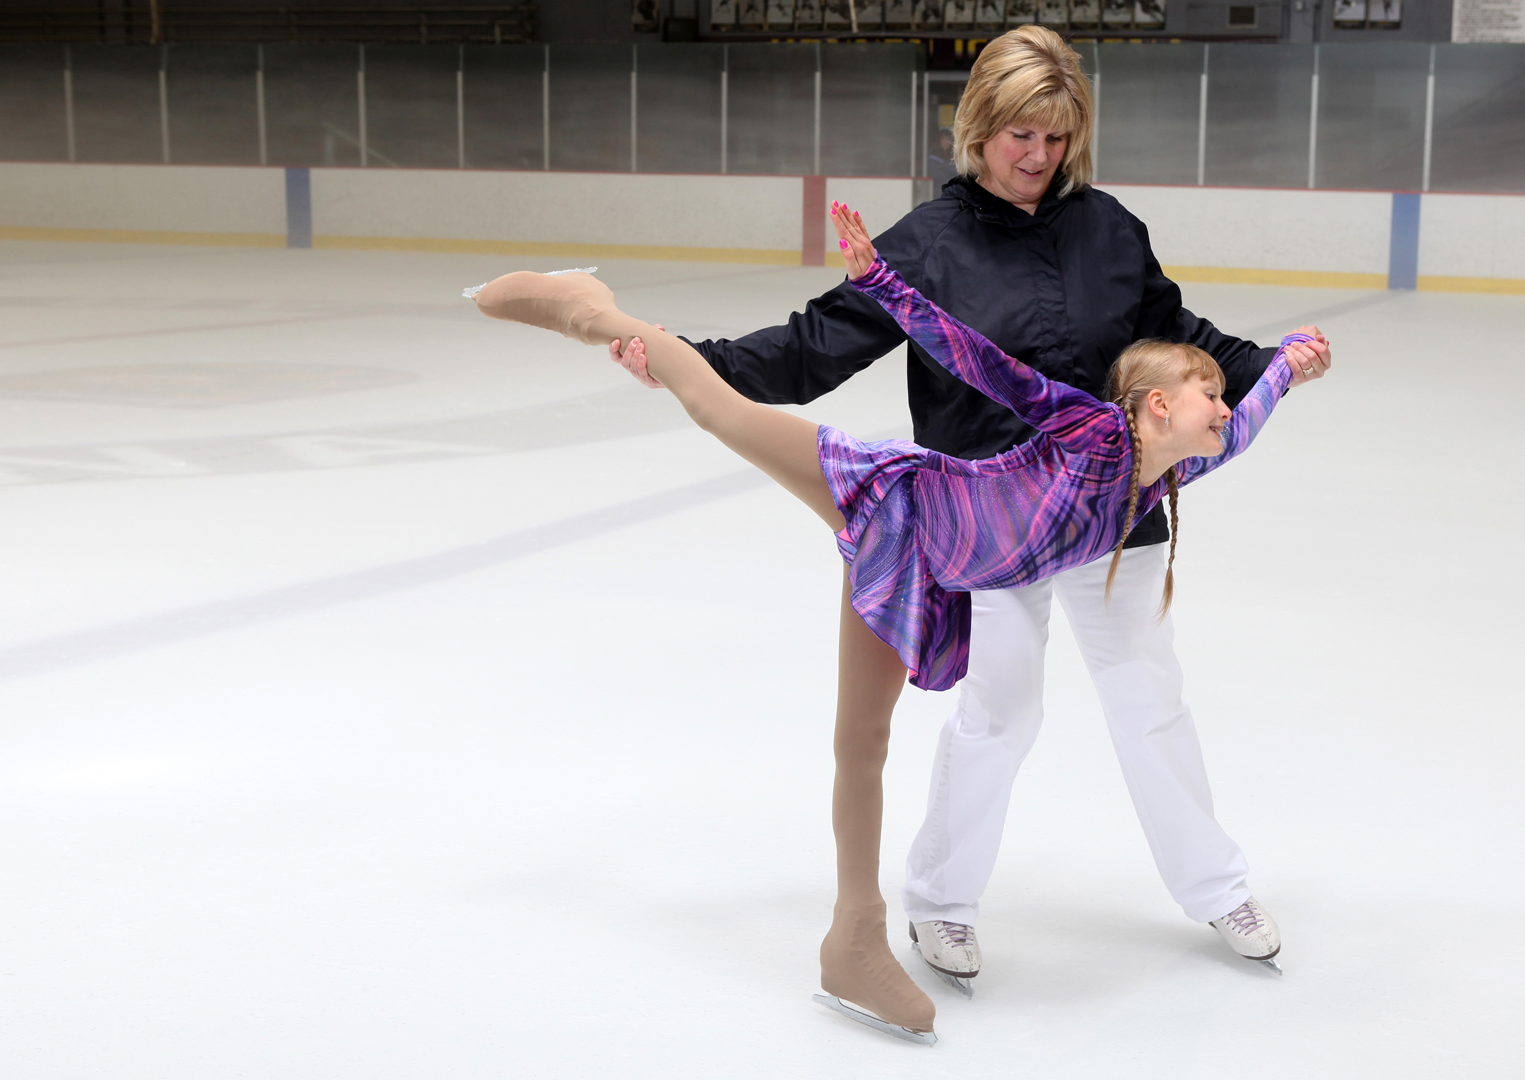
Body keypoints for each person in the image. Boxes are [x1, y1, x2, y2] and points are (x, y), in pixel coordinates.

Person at [471, 202, 1329, 1043]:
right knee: (718, 410)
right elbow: (983, 363)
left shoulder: (1160, 479)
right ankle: (589, 310)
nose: (1224, 406)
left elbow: (1253, 416)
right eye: (1207, 393)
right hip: (898, 498)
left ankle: (850, 941)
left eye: (1221, 397)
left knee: (862, 739)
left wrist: (1288, 360)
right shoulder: (1083, 427)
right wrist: (883, 280)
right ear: (1149, 405)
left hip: (929, 574)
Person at [610, 24, 1333, 1001]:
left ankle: (1216, 886)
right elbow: (807, 348)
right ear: (978, 128)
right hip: (991, 521)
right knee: (1000, 711)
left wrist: (1269, 363)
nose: (1036, 156)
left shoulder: (1106, 227)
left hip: (1116, 517)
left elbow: (1177, 330)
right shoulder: (928, 245)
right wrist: (684, 358)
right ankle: (941, 899)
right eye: (1017, 135)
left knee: (1147, 699)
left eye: (1054, 136)